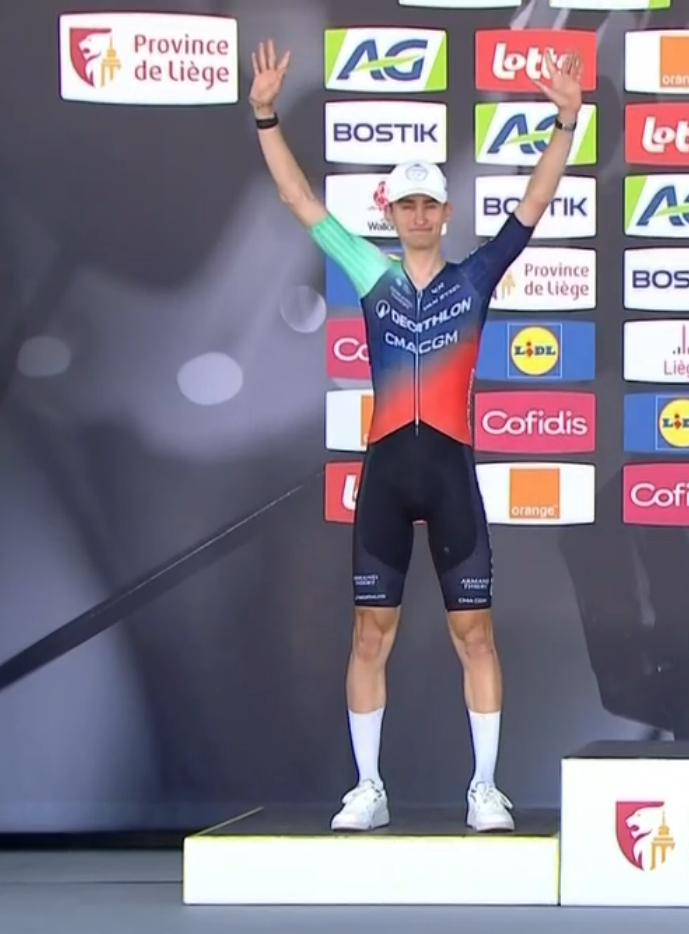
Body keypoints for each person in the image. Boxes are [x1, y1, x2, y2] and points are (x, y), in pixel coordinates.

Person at [247, 40, 585, 833]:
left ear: (445, 213)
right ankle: (368, 788)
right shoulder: (372, 273)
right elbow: (299, 200)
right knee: (371, 634)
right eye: (408, 205)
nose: (421, 215)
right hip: (389, 473)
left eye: (431, 204)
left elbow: (534, 204)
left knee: (476, 634)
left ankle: (485, 790)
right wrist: (264, 114)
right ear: (391, 214)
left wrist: (567, 122)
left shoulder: (474, 277)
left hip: (450, 470)